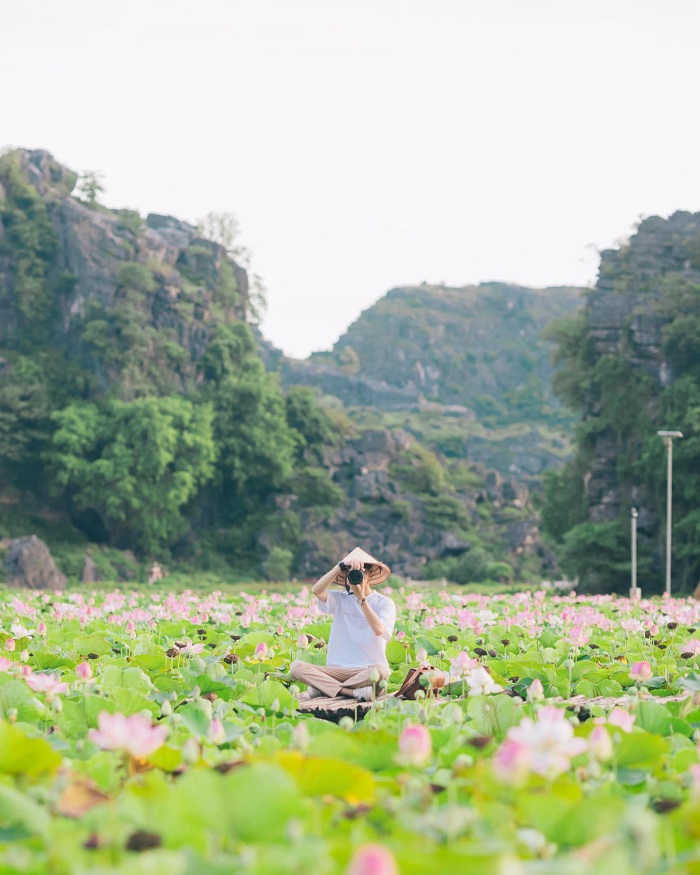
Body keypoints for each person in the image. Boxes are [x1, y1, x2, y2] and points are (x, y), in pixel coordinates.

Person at [290, 547, 396, 702]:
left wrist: (361, 599)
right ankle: (351, 692)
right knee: (296, 668)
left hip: (367, 670)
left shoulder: (384, 603)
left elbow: (379, 630)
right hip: (337, 670)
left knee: (381, 671)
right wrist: (340, 567)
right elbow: (317, 591)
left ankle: (325, 688)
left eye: (361, 572)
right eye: (351, 572)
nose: (356, 575)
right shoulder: (340, 599)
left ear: (370, 574)